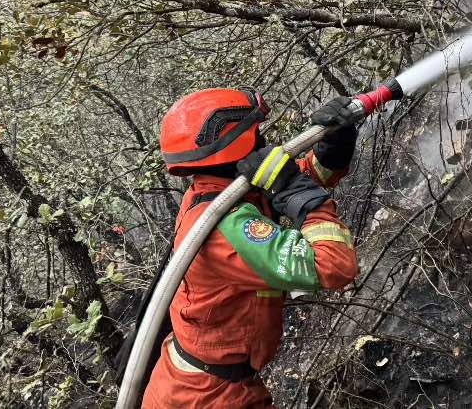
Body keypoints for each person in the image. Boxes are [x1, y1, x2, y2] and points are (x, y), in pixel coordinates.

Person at [142, 88, 360, 409]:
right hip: (208, 398)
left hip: (206, 384)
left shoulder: (225, 190)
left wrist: (334, 145)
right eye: (256, 133)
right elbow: (334, 265)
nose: (263, 140)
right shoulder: (224, 224)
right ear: (236, 146)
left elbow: (297, 179)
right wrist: (306, 201)